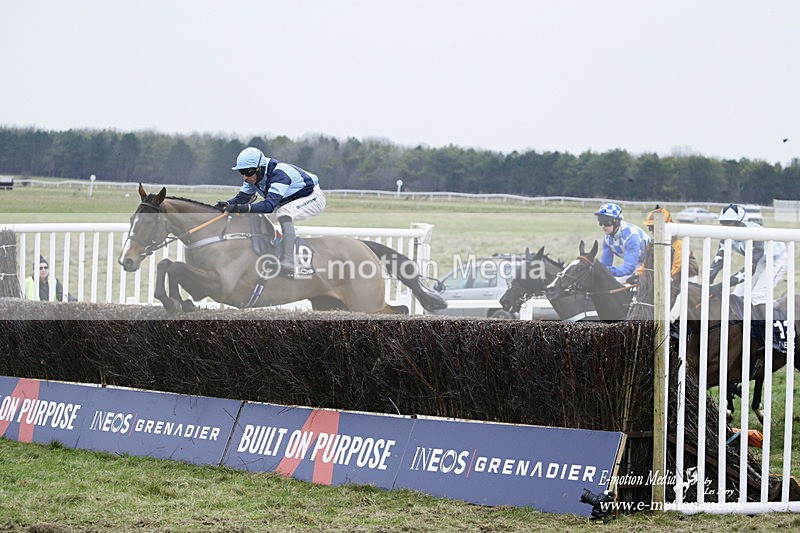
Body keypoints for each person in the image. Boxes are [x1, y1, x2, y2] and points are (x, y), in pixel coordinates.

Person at [217, 147, 326, 274]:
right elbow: (241, 199)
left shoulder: (280, 174)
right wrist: (221, 206)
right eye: (241, 172)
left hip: (312, 198)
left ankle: (289, 260)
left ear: (259, 169)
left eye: (247, 172)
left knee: (283, 213)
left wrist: (241, 208)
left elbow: (269, 206)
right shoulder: (253, 177)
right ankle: (269, 251)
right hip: (288, 200)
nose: (245, 177)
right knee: (258, 218)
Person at [709, 203, 787, 318]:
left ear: (741, 223)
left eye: (730, 224)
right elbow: (720, 259)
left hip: (776, 259)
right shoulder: (726, 236)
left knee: (757, 296)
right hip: (760, 261)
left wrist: (723, 285)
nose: (727, 228)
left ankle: (770, 330)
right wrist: (709, 277)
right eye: (724, 224)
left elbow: (749, 270)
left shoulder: (755, 236)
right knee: (736, 295)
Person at [635, 206, 699, 283]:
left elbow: (678, 266)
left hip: (686, 279)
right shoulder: (654, 244)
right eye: (650, 228)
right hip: (667, 277)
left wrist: (661, 278)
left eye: (654, 228)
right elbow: (648, 263)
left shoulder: (679, 242)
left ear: (667, 226)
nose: (652, 231)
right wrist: (638, 274)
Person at [594, 202, 651, 284]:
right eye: (600, 222)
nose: (603, 226)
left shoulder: (631, 236)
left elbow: (629, 269)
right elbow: (605, 266)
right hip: (637, 264)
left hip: (651, 264)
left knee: (617, 283)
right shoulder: (607, 239)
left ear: (616, 221)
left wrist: (608, 270)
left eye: (606, 222)